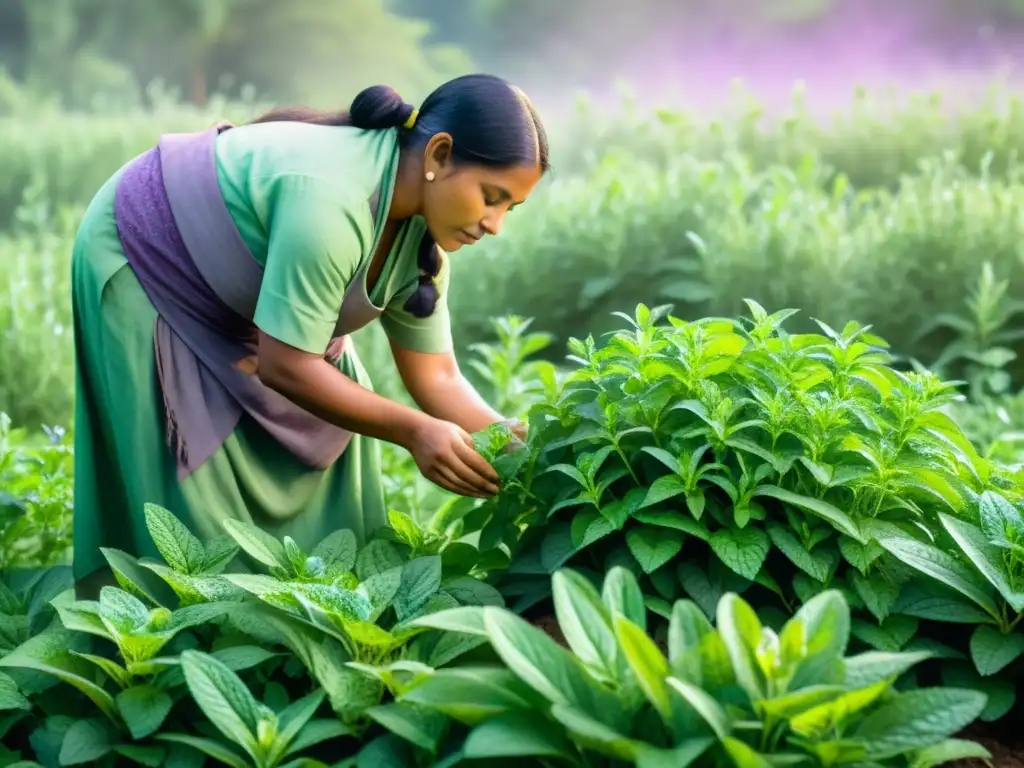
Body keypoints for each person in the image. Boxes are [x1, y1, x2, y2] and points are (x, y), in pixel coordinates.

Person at [70, 73, 549, 597]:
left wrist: (520, 444)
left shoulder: (423, 242)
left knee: (339, 409)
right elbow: (287, 366)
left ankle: (319, 621)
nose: (496, 224)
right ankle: (189, 642)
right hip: (149, 256)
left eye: (510, 208)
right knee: (192, 489)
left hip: (246, 294)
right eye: (491, 196)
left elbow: (437, 376)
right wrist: (414, 431)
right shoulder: (332, 199)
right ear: (438, 155)